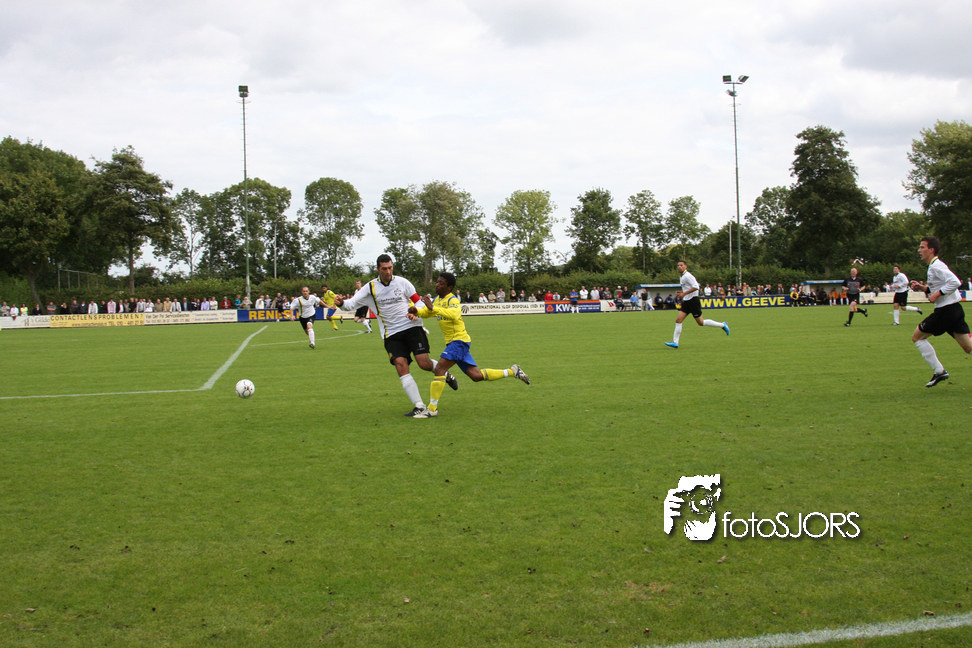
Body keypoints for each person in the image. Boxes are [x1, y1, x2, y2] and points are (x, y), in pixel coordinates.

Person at [334, 254, 458, 416]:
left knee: (423, 363)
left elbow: (418, 301)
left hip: (412, 327)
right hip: (391, 333)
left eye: (390, 268)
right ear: (378, 269)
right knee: (400, 365)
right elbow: (350, 304)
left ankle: (444, 373)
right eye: (384, 269)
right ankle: (419, 406)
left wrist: (416, 312)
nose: (388, 272)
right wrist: (341, 303)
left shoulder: (402, 282)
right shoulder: (370, 287)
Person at [408, 271, 530, 418]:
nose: (437, 285)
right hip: (455, 343)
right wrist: (416, 311)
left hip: (458, 341)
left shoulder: (452, 300)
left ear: (449, 287)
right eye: (437, 282)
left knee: (440, 368)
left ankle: (432, 409)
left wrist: (432, 308)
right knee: (476, 376)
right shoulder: (437, 300)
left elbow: (454, 315)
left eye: (441, 283)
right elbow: (427, 313)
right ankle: (512, 371)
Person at [909, 236, 972, 387]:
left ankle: (939, 371)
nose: (919, 250)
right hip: (955, 310)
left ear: (931, 250)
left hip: (946, 311)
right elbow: (940, 286)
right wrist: (923, 288)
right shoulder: (934, 266)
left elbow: (955, 282)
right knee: (968, 347)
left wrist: (937, 294)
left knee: (917, 337)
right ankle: (939, 372)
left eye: (922, 247)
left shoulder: (936, 266)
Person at [664, 260, 730, 349]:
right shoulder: (682, 276)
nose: (679, 267)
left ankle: (723, 325)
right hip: (686, 301)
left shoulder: (688, 276)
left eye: (681, 265)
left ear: (686, 266)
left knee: (701, 322)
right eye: (678, 265)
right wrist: (682, 293)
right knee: (678, 320)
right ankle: (675, 343)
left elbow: (696, 287)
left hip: (693, 301)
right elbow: (688, 288)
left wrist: (684, 294)